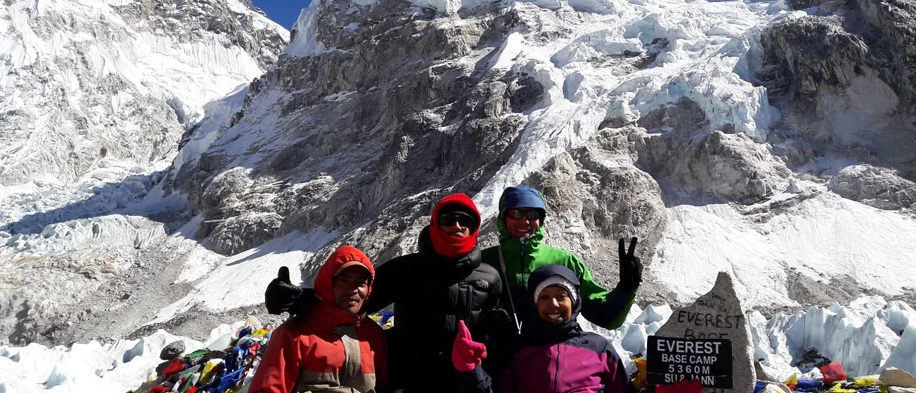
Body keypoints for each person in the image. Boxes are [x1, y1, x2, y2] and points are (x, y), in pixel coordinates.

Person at [265, 193, 503, 392]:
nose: (457, 226)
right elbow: (356, 299)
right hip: (409, 377)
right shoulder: (405, 269)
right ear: (434, 223)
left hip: (463, 379)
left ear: (475, 228)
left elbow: (493, 329)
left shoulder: (489, 277)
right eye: (449, 219)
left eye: (466, 221)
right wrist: (300, 299)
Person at [482, 186, 642, 333]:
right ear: (503, 217)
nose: (524, 221)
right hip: (496, 360)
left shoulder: (566, 263)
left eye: (532, 215)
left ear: (541, 220)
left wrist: (626, 289)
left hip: (551, 359)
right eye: (516, 213)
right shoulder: (483, 261)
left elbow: (604, 316)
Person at [452, 264, 633, 393]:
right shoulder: (519, 349)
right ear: (534, 304)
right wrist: (471, 369)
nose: (553, 304)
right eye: (544, 297)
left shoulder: (599, 348)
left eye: (562, 296)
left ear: (575, 301)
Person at [248, 244, 387, 393]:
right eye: (344, 281)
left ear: (368, 289)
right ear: (329, 284)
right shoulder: (294, 335)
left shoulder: (373, 337)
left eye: (360, 283)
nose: (352, 290)